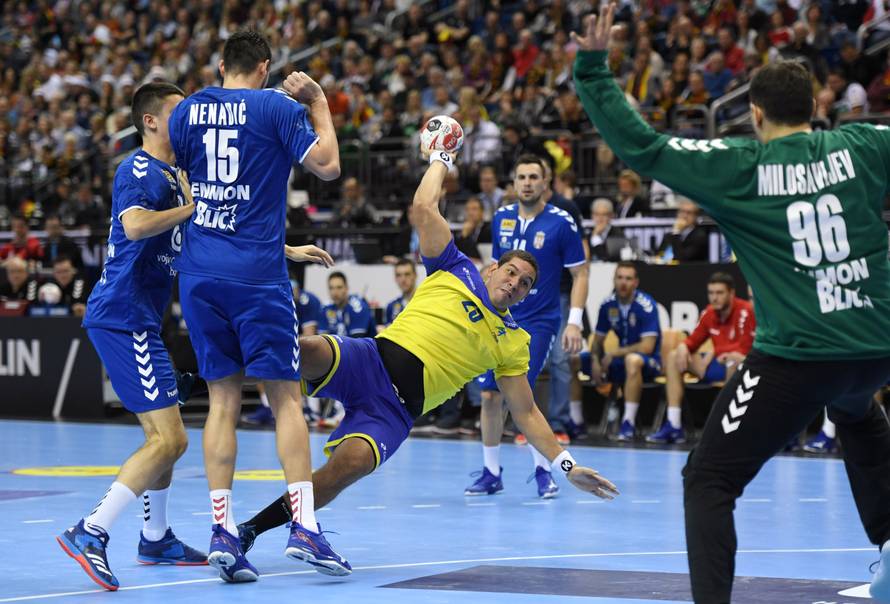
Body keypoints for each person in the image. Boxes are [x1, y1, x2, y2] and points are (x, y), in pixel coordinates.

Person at [572, 7, 890, 602]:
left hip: (799, 358)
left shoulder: (739, 167)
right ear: (817, 108)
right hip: (878, 348)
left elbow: (642, 145)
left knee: (709, 479)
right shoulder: (865, 145)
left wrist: (593, 69)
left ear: (756, 114)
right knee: (858, 412)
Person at [236, 145, 619, 556]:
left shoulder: (514, 341)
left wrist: (568, 466)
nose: (515, 283)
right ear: (493, 268)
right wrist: (442, 158)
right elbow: (422, 206)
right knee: (304, 349)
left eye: (524, 283)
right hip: (368, 361)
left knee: (345, 469)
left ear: (527, 296)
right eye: (511, 272)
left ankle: (251, 530)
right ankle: (206, 382)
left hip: (395, 411)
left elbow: (526, 412)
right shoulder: (455, 267)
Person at [167, 30, 348, 582]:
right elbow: (329, 166)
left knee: (222, 401)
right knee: (286, 400)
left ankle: (222, 530)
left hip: (198, 273)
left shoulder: (189, 108)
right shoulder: (275, 107)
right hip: (255, 277)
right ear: (265, 68)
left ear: (223, 65)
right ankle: (305, 527)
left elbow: (179, 179)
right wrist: (317, 102)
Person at [56, 82, 205, 592]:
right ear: (150, 121)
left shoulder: (176, 175)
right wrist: (191, 208)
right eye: (177, 114)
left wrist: (286, 252)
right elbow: (138, 226)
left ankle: (156, 537)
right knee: (170, 439)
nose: (185, 123)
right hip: (122, 315)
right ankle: (90, 531)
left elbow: (208, 239)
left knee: (165, 439)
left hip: (140, 318)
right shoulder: (138, 169)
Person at [468, 154, 588, 499]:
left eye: (534, 176)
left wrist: (574, 322)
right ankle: (492, 472)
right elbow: (496, 266)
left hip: (539, 321)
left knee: (523, 393)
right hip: (502, 318)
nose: (527, 182)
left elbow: (580, 273)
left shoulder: (561, 222)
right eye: (521, 177)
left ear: (545, 182)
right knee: (490, 394)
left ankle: (542, 471)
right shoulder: (502, 217)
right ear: (514, 182)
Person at [648, 272, 755, 444]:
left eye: (719, 293)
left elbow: (745, 348)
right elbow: (693, 341)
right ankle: (674, 425)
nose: (714, 298)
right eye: (711, 293)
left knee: (733, 361)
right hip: (715, 365)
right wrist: (683, 346)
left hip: (739, 367)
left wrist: (721, 353)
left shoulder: (746, 311)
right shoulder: (709, 313)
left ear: (731, 293)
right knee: (675, 355)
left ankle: (726, 429)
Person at [584, 262, 662, 441]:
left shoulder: (646, 305)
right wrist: (595, 360)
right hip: (620, 362)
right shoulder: (608, 305)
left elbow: (647, 347)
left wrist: (614, 353)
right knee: (575, 360)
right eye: (619, 278)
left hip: (650, 363)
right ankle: (575, 422)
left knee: (632, 360)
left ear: (636, 282)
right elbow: (598, 341)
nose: (623, 283)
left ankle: (628, 423)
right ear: (614, 280)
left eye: (628, 278)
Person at [244, 280, 323, 426]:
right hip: (285, 342)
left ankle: (309, 409)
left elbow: (309, 336)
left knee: (298, 355)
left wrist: (283, 345)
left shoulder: (307, 302)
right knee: (259, 354)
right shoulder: (270, 301)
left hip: (309, 346)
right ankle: (267, 406)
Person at [320, 272, 376, 337]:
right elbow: (323, 340)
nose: (335, 292)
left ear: (347, 288)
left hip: (360, 346)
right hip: (337, 346)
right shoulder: (325, 309)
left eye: (339, 287)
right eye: (331, 288)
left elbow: (357, 342)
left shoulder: (357, 307)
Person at [654, 197, 709, 263]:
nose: (684, 216)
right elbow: (659, 256)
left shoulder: (699, 236)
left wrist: (677, 232)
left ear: (695, 217)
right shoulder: (669, 235)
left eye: (689, 213)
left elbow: (682, 259)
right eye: (682, 212)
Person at [454, 196, 491, 261]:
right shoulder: (460, 230)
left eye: (474, 209)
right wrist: (463, 236)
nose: (470, 213)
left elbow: (477, 255)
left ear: (482, 212)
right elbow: (457, 253)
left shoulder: (488, 229)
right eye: (467, 209)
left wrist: (465, 237)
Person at [383, 259, 417, 327]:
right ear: (395, 278)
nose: (403, 279)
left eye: (407, 274)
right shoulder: (391, 307)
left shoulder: (424, 302)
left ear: (415, 275)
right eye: (399, 275)